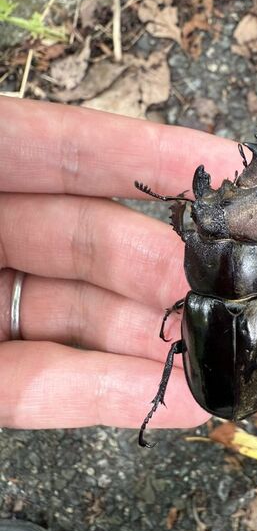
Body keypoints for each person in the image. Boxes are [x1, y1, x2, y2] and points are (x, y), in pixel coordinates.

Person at [0, 96, 243, 432]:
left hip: (221, 374)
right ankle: (155, 405)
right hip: (232, 376)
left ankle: (155, 405)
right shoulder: (206, 301)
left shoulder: (197, 301)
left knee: (177, 346)